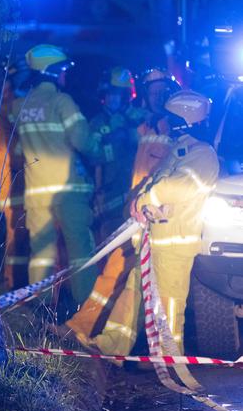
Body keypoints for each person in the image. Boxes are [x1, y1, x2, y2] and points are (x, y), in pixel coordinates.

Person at [91, 90, 218, 355]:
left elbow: (179, 186)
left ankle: (170, 362)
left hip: (173, 245)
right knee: (133, 293)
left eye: (168, 119)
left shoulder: (203, 154)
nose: (163, 124)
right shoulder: (178, 151)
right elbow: (154, 181)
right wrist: (139, 203)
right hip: (153, 241)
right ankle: (111, 345)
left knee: (168, 305)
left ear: (181, 120)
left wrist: (148, 197)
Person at [61, 68, 178, 342]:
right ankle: (82, 328)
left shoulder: (170, 127)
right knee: (113, 269)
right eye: (153, 92)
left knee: (138, 279)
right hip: (132, 208)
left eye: (163, 92)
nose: (158, 96)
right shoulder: (143, 125)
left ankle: (118, 341)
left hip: (153, 214)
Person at [10, 44, 101, 307]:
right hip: (67, 190)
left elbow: (18, 145)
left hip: (36, 191)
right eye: (61, 70)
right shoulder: (62, 102)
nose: (64, 75)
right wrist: (100, 151)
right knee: (79, 250)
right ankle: (85, 306)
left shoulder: (19, 106)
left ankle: (41, 307)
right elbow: (82, 140)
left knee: (40, 253)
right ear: (51, 71)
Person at [90, 67, 144, 242]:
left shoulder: (137, 117)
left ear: (126, 96)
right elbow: (93, 158)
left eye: (119, 94)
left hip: (132, 186)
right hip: (108, 190)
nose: (113, 98)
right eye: (110, 93)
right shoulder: (96, 122)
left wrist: (128, 131)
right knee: (107, 236)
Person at [0, 59, 30, 291]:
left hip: (25, 181)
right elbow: (7, 149)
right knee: (17, 239)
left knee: (26, 238)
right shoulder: (2, 108)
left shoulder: (16, 104)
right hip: (12, 182)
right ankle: (15, 285)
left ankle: (24, 284)